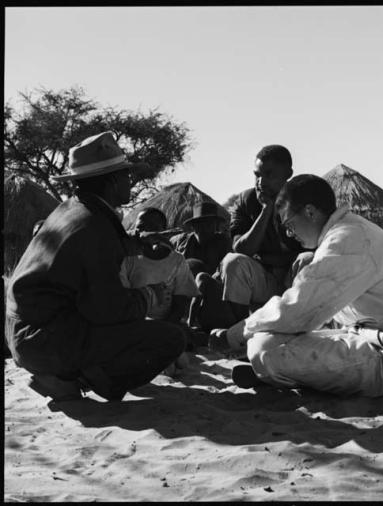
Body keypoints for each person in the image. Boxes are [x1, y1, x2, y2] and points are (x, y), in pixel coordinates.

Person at [213, 174, 383, 397]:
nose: (290, 235)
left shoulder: (348, 240)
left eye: (290, 226)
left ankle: (285, 376)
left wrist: (236, 334)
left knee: (265, 349)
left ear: (310, 212)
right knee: (265, 341)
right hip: (380, 339)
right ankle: (286, 374)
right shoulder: (348, 232)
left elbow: (298, 311)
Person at [5, 131, 187, 402]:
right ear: (112, 182)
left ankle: (70, 373)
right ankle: (69, 379)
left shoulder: (73, 211)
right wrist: (148, 297)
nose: (130, 179)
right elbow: (108, 310)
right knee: (170, 339)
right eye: (125, 174)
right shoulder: (94, 226)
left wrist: (135, 244)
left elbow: (91, 253)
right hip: (44, 341)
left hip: (26, 334)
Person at [192, 144, 307, 331]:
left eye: (269, 174)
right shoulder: (246, 201)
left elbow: (312, 249)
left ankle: (301, 329)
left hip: (295, 279)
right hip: (264, 279)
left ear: (288, 173)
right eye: (257, 175)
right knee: (234, 262)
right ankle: (240, 333)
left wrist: (271, 258)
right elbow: (242, 250)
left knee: (307, 260)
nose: (261, 181)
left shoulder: (304, 200)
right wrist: (266, 211)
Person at [120, 207, 200, 324]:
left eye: (153, 228)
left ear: (163, 231)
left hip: (167, 324)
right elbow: (124, 302)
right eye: (141, 228)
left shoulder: (177, 260)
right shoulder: (128, 259)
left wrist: (164, 328)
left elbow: (179, 306)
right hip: (136, 322)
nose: (146, 233)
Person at [170, 201, 231, 276]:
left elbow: (227, 268)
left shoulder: (224, 242)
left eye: (209, 224)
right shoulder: (180, 242)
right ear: (193, 226)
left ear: (216, 226)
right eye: (200, 224)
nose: (205, 228)